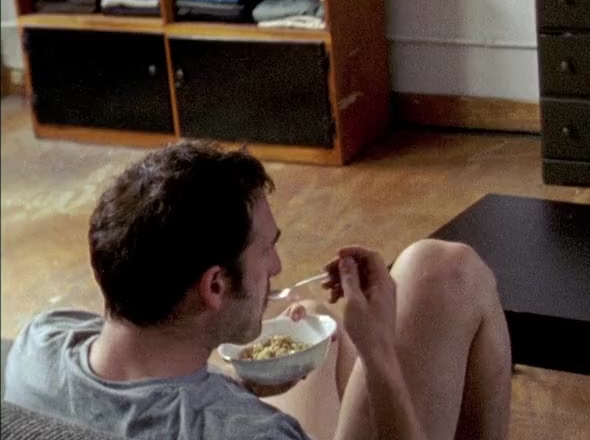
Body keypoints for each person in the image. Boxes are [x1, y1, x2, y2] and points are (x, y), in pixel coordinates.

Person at [1, 141, 512, 439]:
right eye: (266, 249)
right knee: (448, 270)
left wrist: (231, 385)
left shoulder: (39, 342)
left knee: (311, 317)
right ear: (215, 284)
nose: (278, 265)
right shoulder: (255, 433)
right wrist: (380, 355)